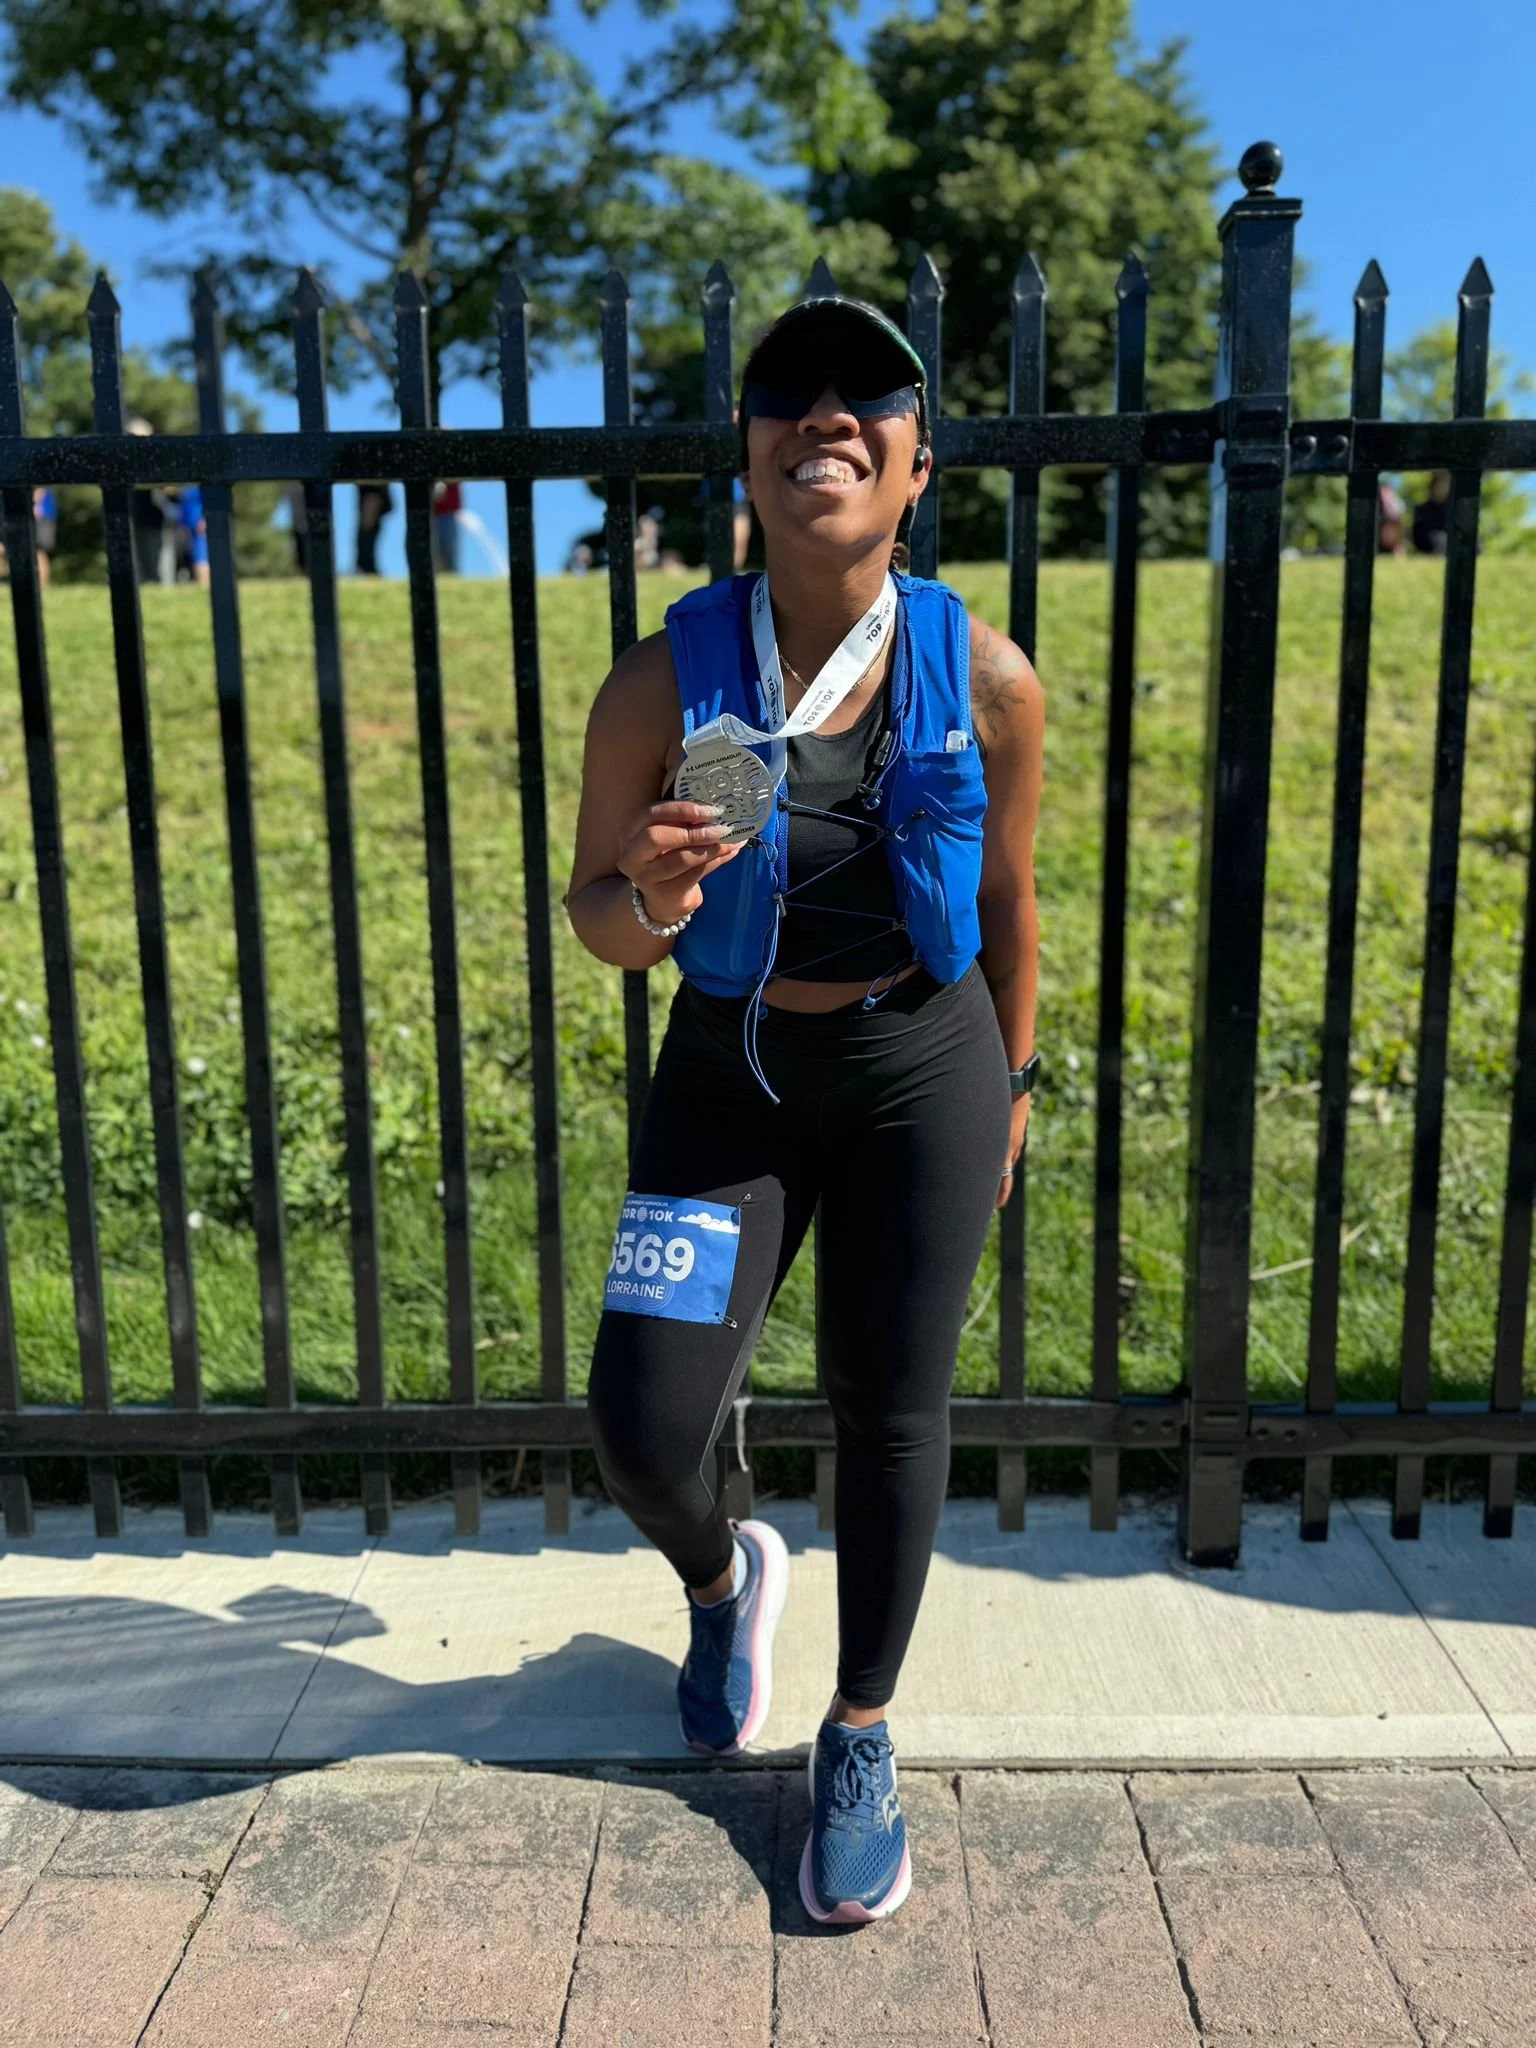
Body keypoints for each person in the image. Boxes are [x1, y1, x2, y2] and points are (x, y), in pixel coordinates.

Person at [566, 296, 1043, 1925]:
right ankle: (723, 1575)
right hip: (729, 1072)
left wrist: (1018, 1083)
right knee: (637, 1423)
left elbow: (1014, 901)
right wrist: (639, 891)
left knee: (886, 1406)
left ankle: (859, 1730)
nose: (823, 414)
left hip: (925, 1068)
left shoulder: (983, 671)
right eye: (786, 393)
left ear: (917, 464)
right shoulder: (663, 676)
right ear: (748, 457)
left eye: (870, 396)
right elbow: (603, 925)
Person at [356, 481, 393, 574]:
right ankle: (365, 568)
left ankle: (366, 568)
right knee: (367, 533)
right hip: (372, 494)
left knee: (368, 533)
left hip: (372, 494)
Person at [1412, 470, 1452, 556]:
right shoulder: (1422, 509)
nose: (1443, 487)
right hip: (1431, 545)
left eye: (1446, 483)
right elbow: (1418, 535)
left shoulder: (1453, 508)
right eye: (1440, 483)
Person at [178, 484, 210, 587]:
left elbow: (209, 500)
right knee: (195, 554)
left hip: (199, 525)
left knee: (201, 555)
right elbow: (183, 506)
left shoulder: (200, 485)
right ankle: (199, 583)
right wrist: (182, 525)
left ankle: (204, 584)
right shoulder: (185, 487)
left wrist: (205, 519)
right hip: (189, 525)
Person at [432, 479, 463, 572]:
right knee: (434, 552)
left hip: (448, 513)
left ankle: (451, 574)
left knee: (449, 550)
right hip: (431, 512)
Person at [32, 486, 56, 587]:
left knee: (39, 552)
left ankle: (42, 584)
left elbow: (39, 490)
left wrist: (35, 506)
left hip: (42, 518)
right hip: (43, 517)